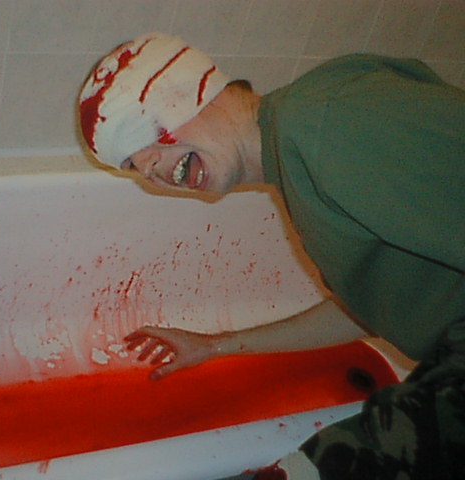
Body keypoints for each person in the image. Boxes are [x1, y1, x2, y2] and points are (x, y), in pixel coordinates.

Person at [78, 32, 465, 480]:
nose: (148, 169)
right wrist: (216, 345)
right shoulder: (301, 152)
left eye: (142, 133)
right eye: (132, 165)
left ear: (194, 88)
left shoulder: (326, 123)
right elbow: (375, 305)